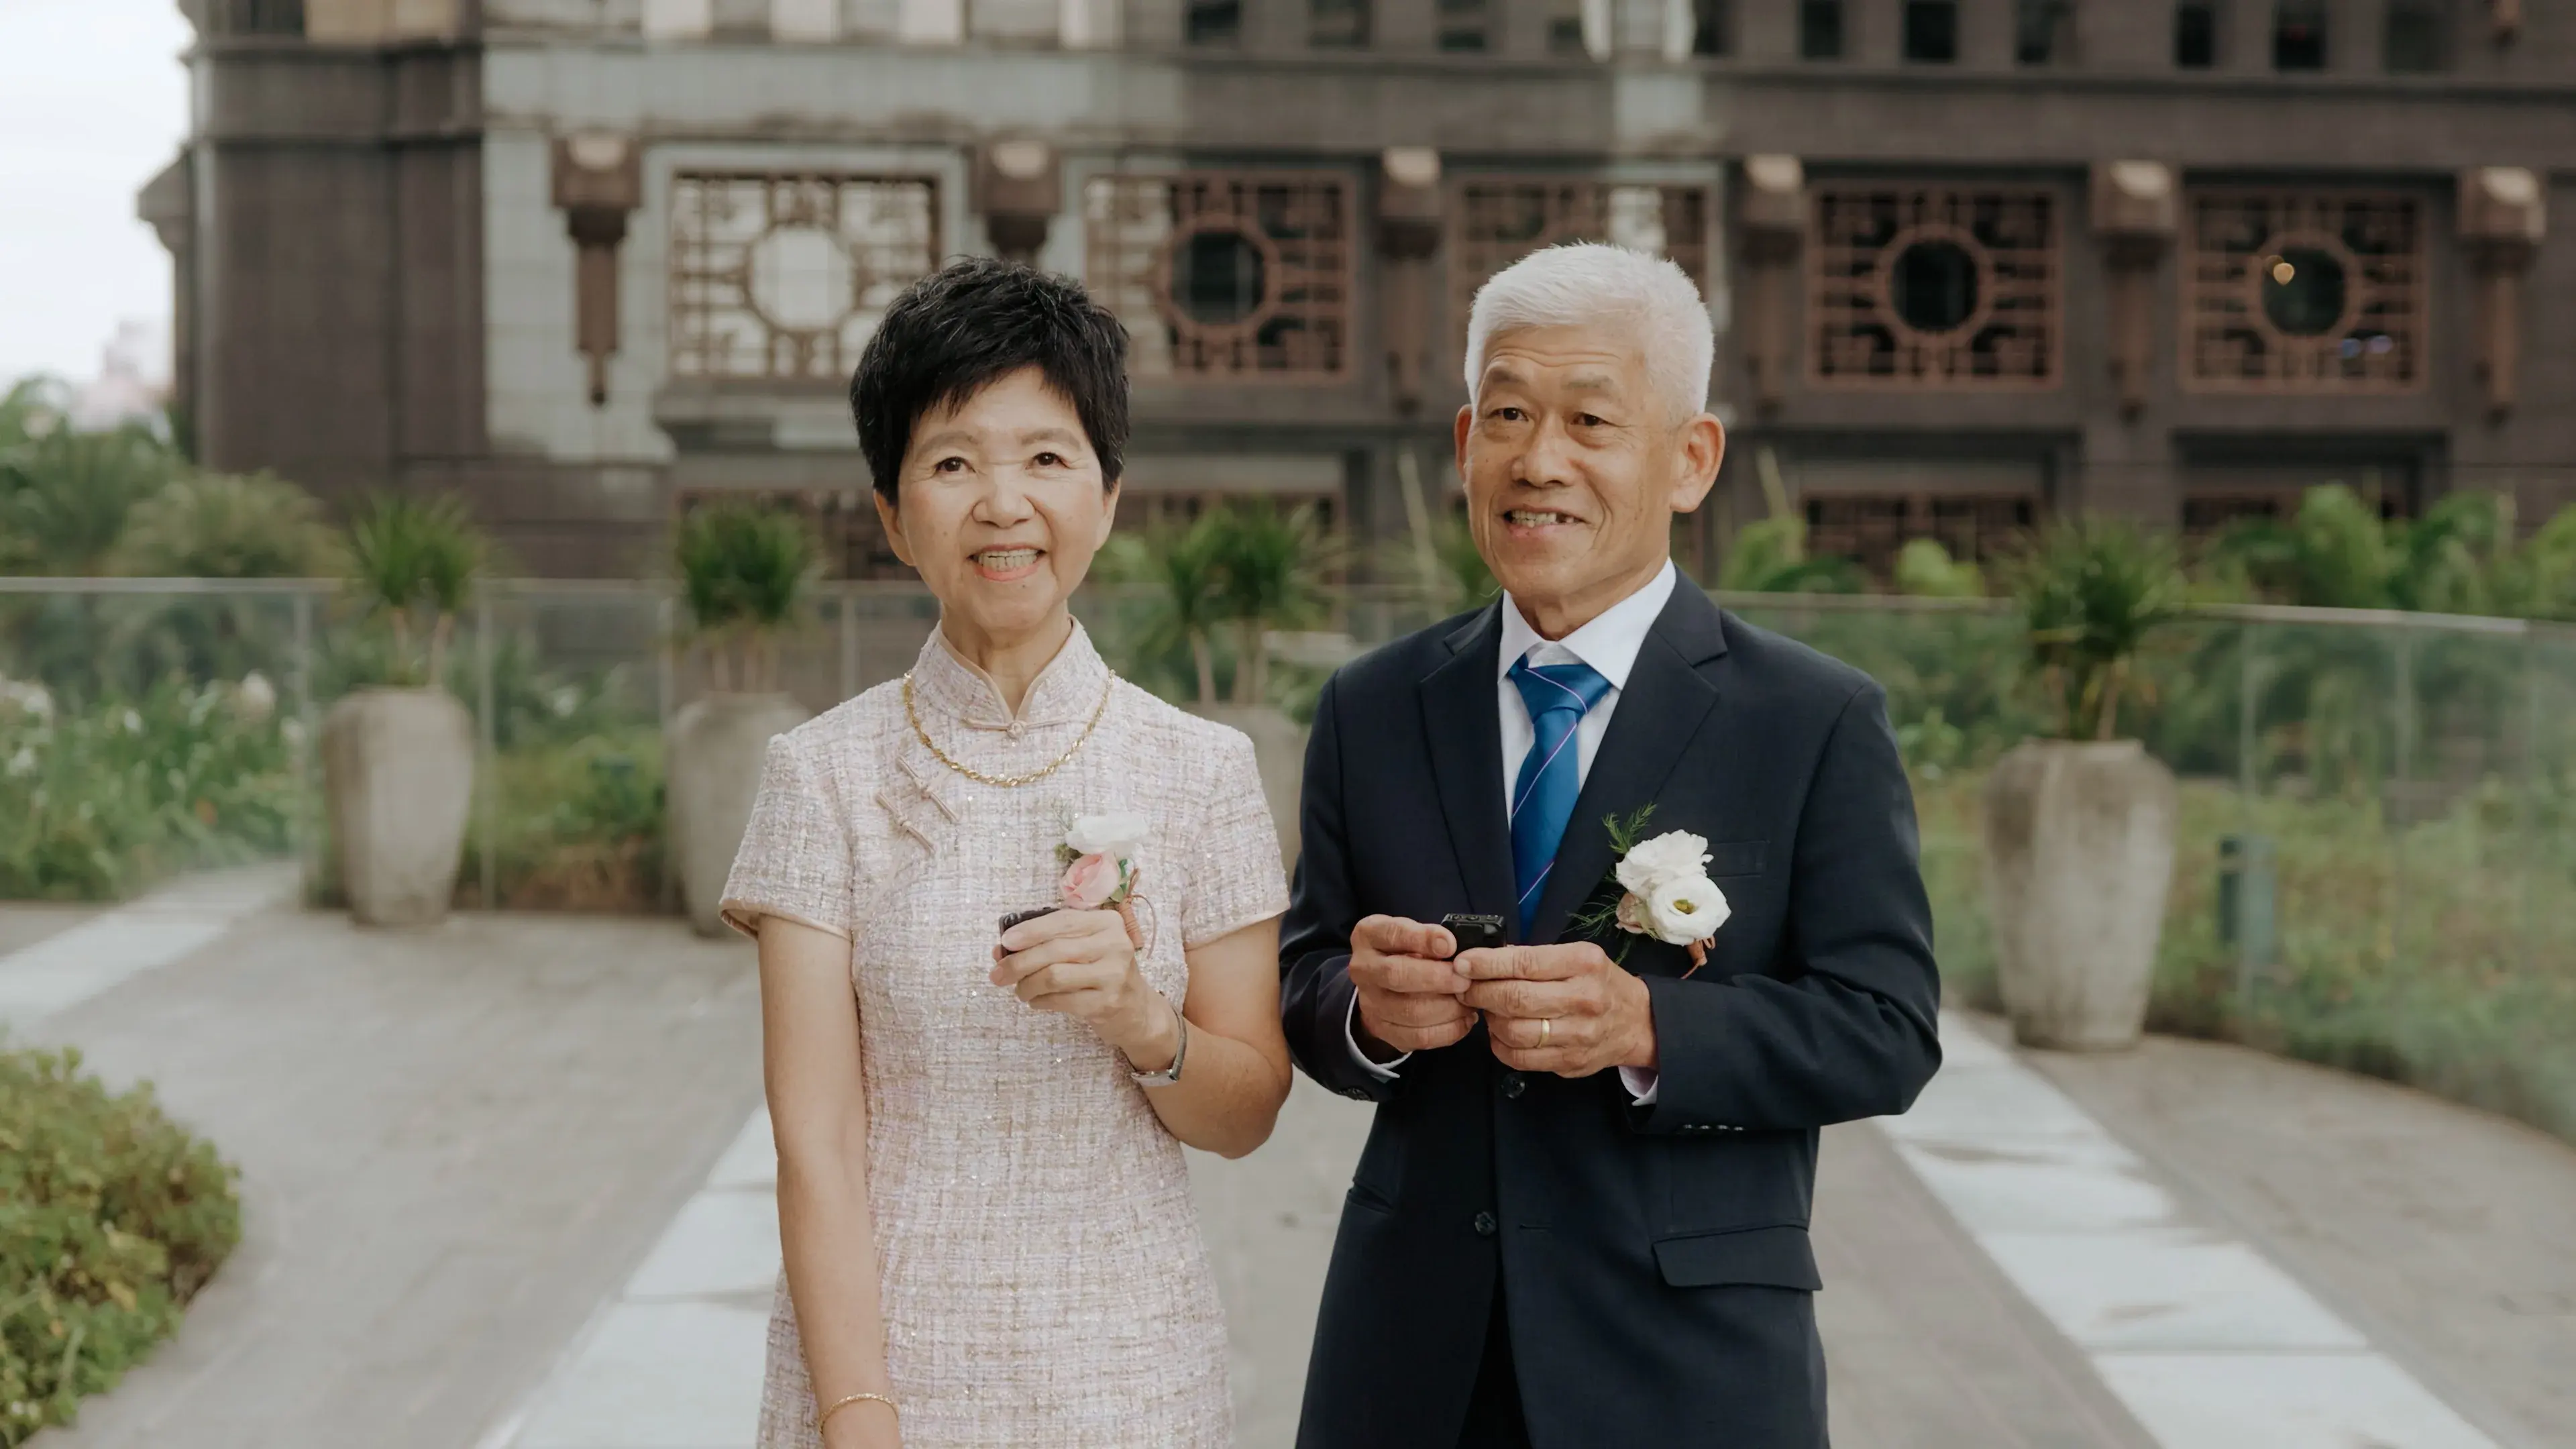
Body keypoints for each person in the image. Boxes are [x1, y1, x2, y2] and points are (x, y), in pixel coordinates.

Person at [1279, 243, 1943, 1448]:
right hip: (1411, 1358)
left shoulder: (1812, 719)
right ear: (1465, 442)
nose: (1540, 461)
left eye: (1591, 420)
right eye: (1509, 417)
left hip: (1686, 1366)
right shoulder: (1372, 706)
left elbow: (1887, 1029)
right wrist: (1366, 1013)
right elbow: (1305, 977)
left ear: (1692, 460)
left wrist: (1647, 1028)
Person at [722, 257, 1293, 1449]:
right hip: (879, 1367)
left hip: (1131, 1378)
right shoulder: (821, 774)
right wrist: (859, 1419)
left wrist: (1143, 1019)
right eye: (952, 463)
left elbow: (1247, 1113)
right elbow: (815, 1143)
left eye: (1045, 457)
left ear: (1108, 496)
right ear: (893, 516)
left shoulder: (1203, 769)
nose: (1002, 502)